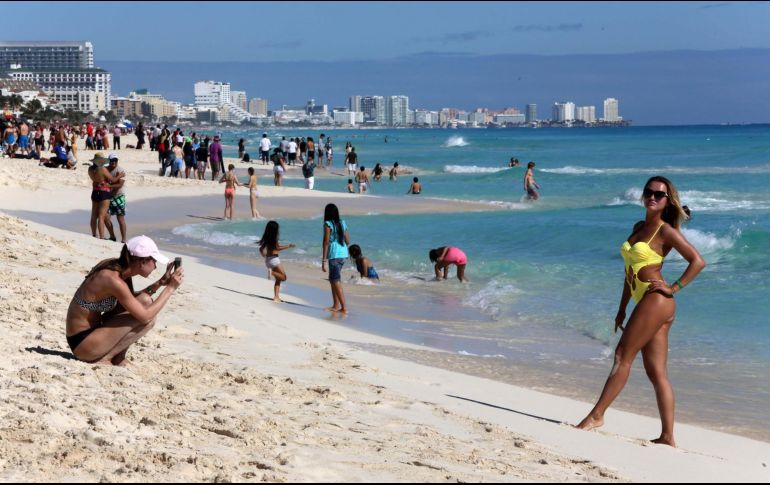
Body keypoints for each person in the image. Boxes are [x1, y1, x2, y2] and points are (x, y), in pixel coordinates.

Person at [576, 176, 705, 447]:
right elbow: (628, 272)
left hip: (656, 299)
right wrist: (622, 308)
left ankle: (596, 416)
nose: (653, 197)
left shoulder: (666, 231)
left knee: (623, 355)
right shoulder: (638, 227)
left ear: (668, 200)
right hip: (642, 300)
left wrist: (675, 287)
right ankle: (668, 437)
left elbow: (697, 261)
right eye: (649, 192)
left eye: (660, 194)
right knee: (656, 372)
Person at [65, 235, 183, 365]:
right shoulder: (113, 280)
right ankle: (106, 357)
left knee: (145, 300)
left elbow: (130, 301)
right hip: (83, 343)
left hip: (94, 332)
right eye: (154, 261)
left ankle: (118, 357)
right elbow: (145, 317)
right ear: (142, 261)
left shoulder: (117, 267)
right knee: (149, 319)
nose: (155, 266)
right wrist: (170, 289)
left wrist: (160, 283)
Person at [322, 203, 350, 313]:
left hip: (334, 254)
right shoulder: (343, 223)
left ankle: (344, 307)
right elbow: (348, 241)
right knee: (333, 279)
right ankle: (335, 305)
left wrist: (323, 260)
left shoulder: (327, 224)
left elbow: (325, 242)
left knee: (335, 280)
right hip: (343, 253)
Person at [258, 220, 296, 303]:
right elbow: (277, 248)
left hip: (268, 260)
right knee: (284, 277)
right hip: (274, 260)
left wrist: (265, 256)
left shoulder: (266, 238)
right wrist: (288, 246)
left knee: (278, 279)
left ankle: (276, 297)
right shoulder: (274, 238)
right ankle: (271, 272)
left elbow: (261, 249)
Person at [88, 153, 120, 240]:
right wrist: (120, 176)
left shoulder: (90, 169)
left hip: (95, 192)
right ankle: (101, 237)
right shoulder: (102, 169)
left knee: (94, 215)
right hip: (104, 193)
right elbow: (113, 180)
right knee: (101, 216)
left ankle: (94, 234)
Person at [104, 153, 128, 243]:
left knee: (120, 218)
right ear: (109, 161)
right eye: (112, 160)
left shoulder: (121, 170)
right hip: (108, 197)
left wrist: (109, 185)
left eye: (115, 160)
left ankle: (124, 239)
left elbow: (119, 185)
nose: (114, 162)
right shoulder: (106, 170)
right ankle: (112, 236)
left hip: (119, 196)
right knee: (106, 217)